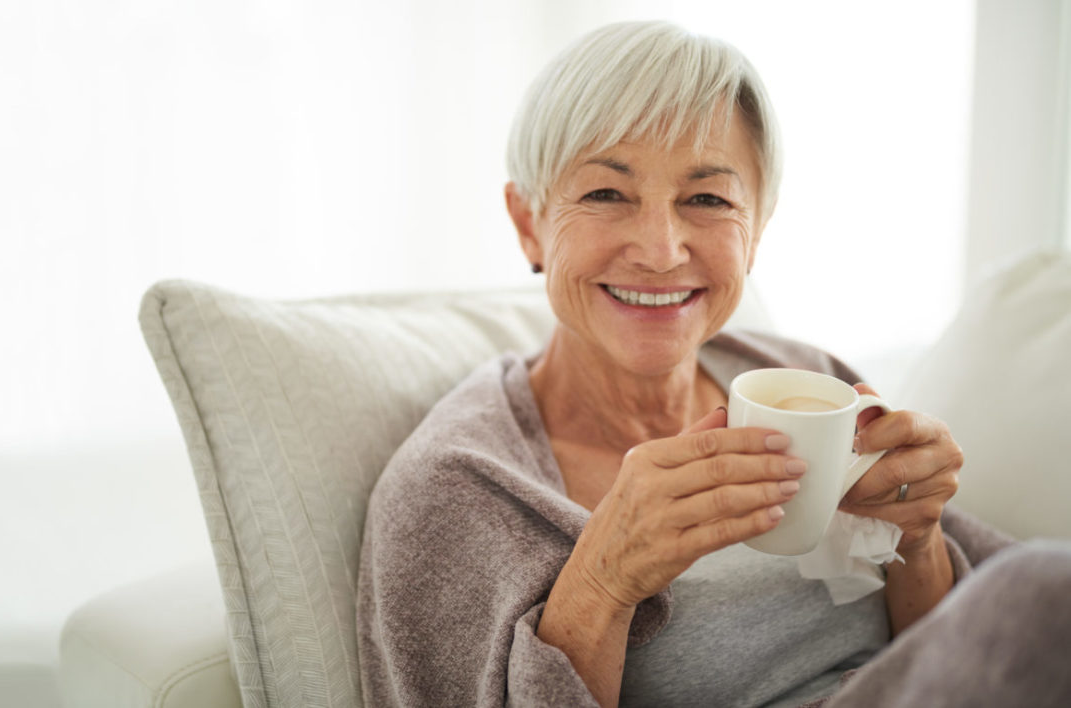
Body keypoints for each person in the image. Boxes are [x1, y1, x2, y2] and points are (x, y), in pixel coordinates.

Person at [357, 20, 1071, 708]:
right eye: (607, 193)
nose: (662, 248)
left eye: (707, 199)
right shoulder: (456, 487)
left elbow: (957, 662)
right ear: (529, 224)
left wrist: (916, 537)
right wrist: (604, 578)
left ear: (756, 230)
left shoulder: (807, 380)